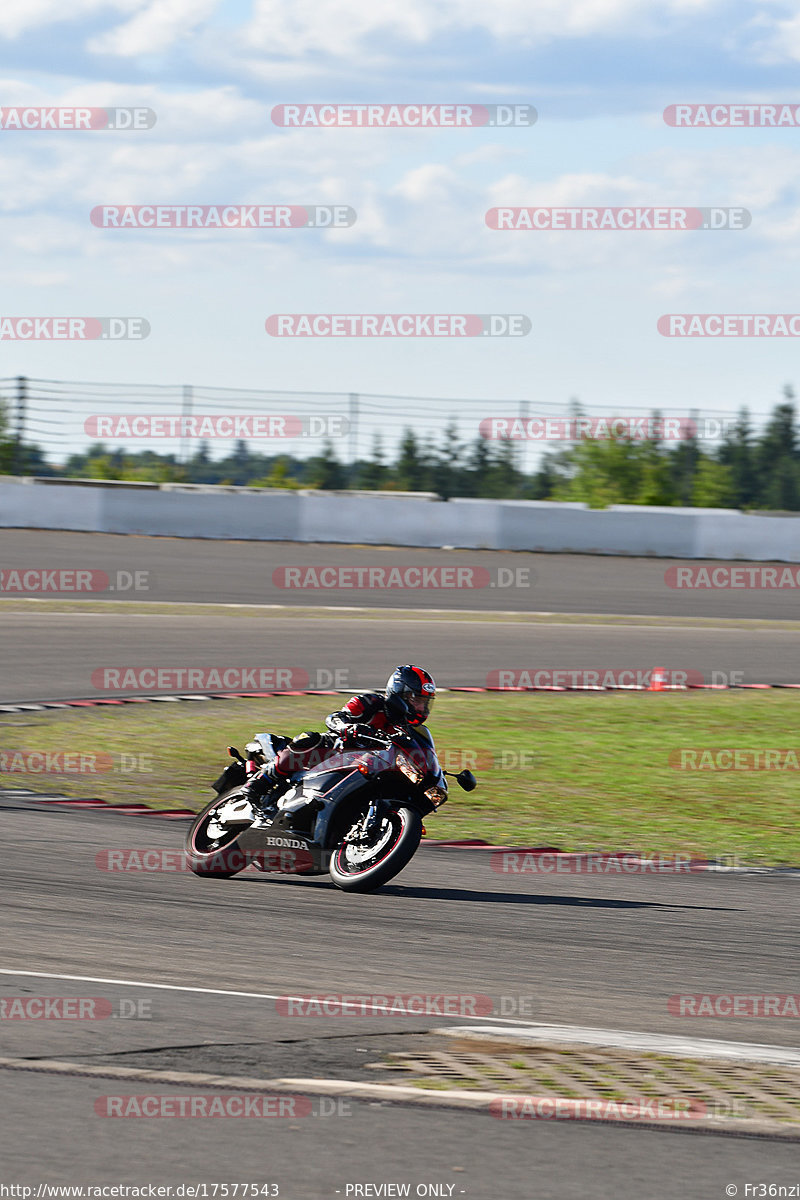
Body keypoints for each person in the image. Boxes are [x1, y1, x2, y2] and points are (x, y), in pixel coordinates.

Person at [244, 665, 437, 814]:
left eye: (425, 703)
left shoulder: (410, 730)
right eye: (416, 700)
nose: (421, 708)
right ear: (399, 693)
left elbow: (419, 753)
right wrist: (347, 727)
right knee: (308, 740)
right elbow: (334, 718)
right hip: (335, 751)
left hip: (366, 767)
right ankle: (257, 784)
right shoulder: (371, 702)